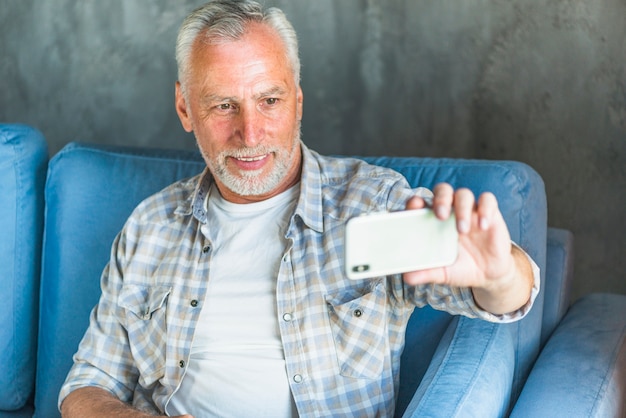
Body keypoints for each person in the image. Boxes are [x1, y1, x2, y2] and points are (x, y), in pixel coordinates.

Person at [59, 1, 539, 417]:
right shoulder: (151, 226)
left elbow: (503, 294)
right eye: (224, 105)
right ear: (185, 109)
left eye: (269, 100)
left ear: (298, 100)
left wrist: (498, 277)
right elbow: (86, 384)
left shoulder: (370, 205)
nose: (251, 133)